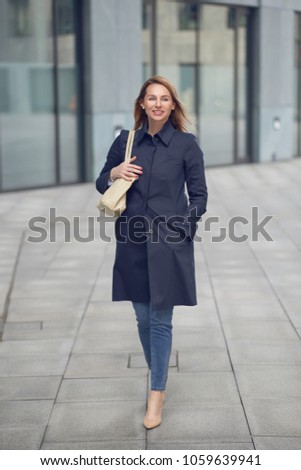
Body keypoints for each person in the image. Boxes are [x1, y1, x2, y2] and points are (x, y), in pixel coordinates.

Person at [96, 76, 207, 430]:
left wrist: (182, 227)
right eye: (151, 98)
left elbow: (199, 196)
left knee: (160, 320)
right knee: (143, 319)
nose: (158, 104)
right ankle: (158, 373)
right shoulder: (126, 142)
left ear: (173, 105)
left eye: (164, 99)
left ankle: (156, 392)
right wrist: (114, 171)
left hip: (168, 246)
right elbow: (102, 182)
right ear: (142, 104)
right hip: (131, 242)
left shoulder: (187, 145)